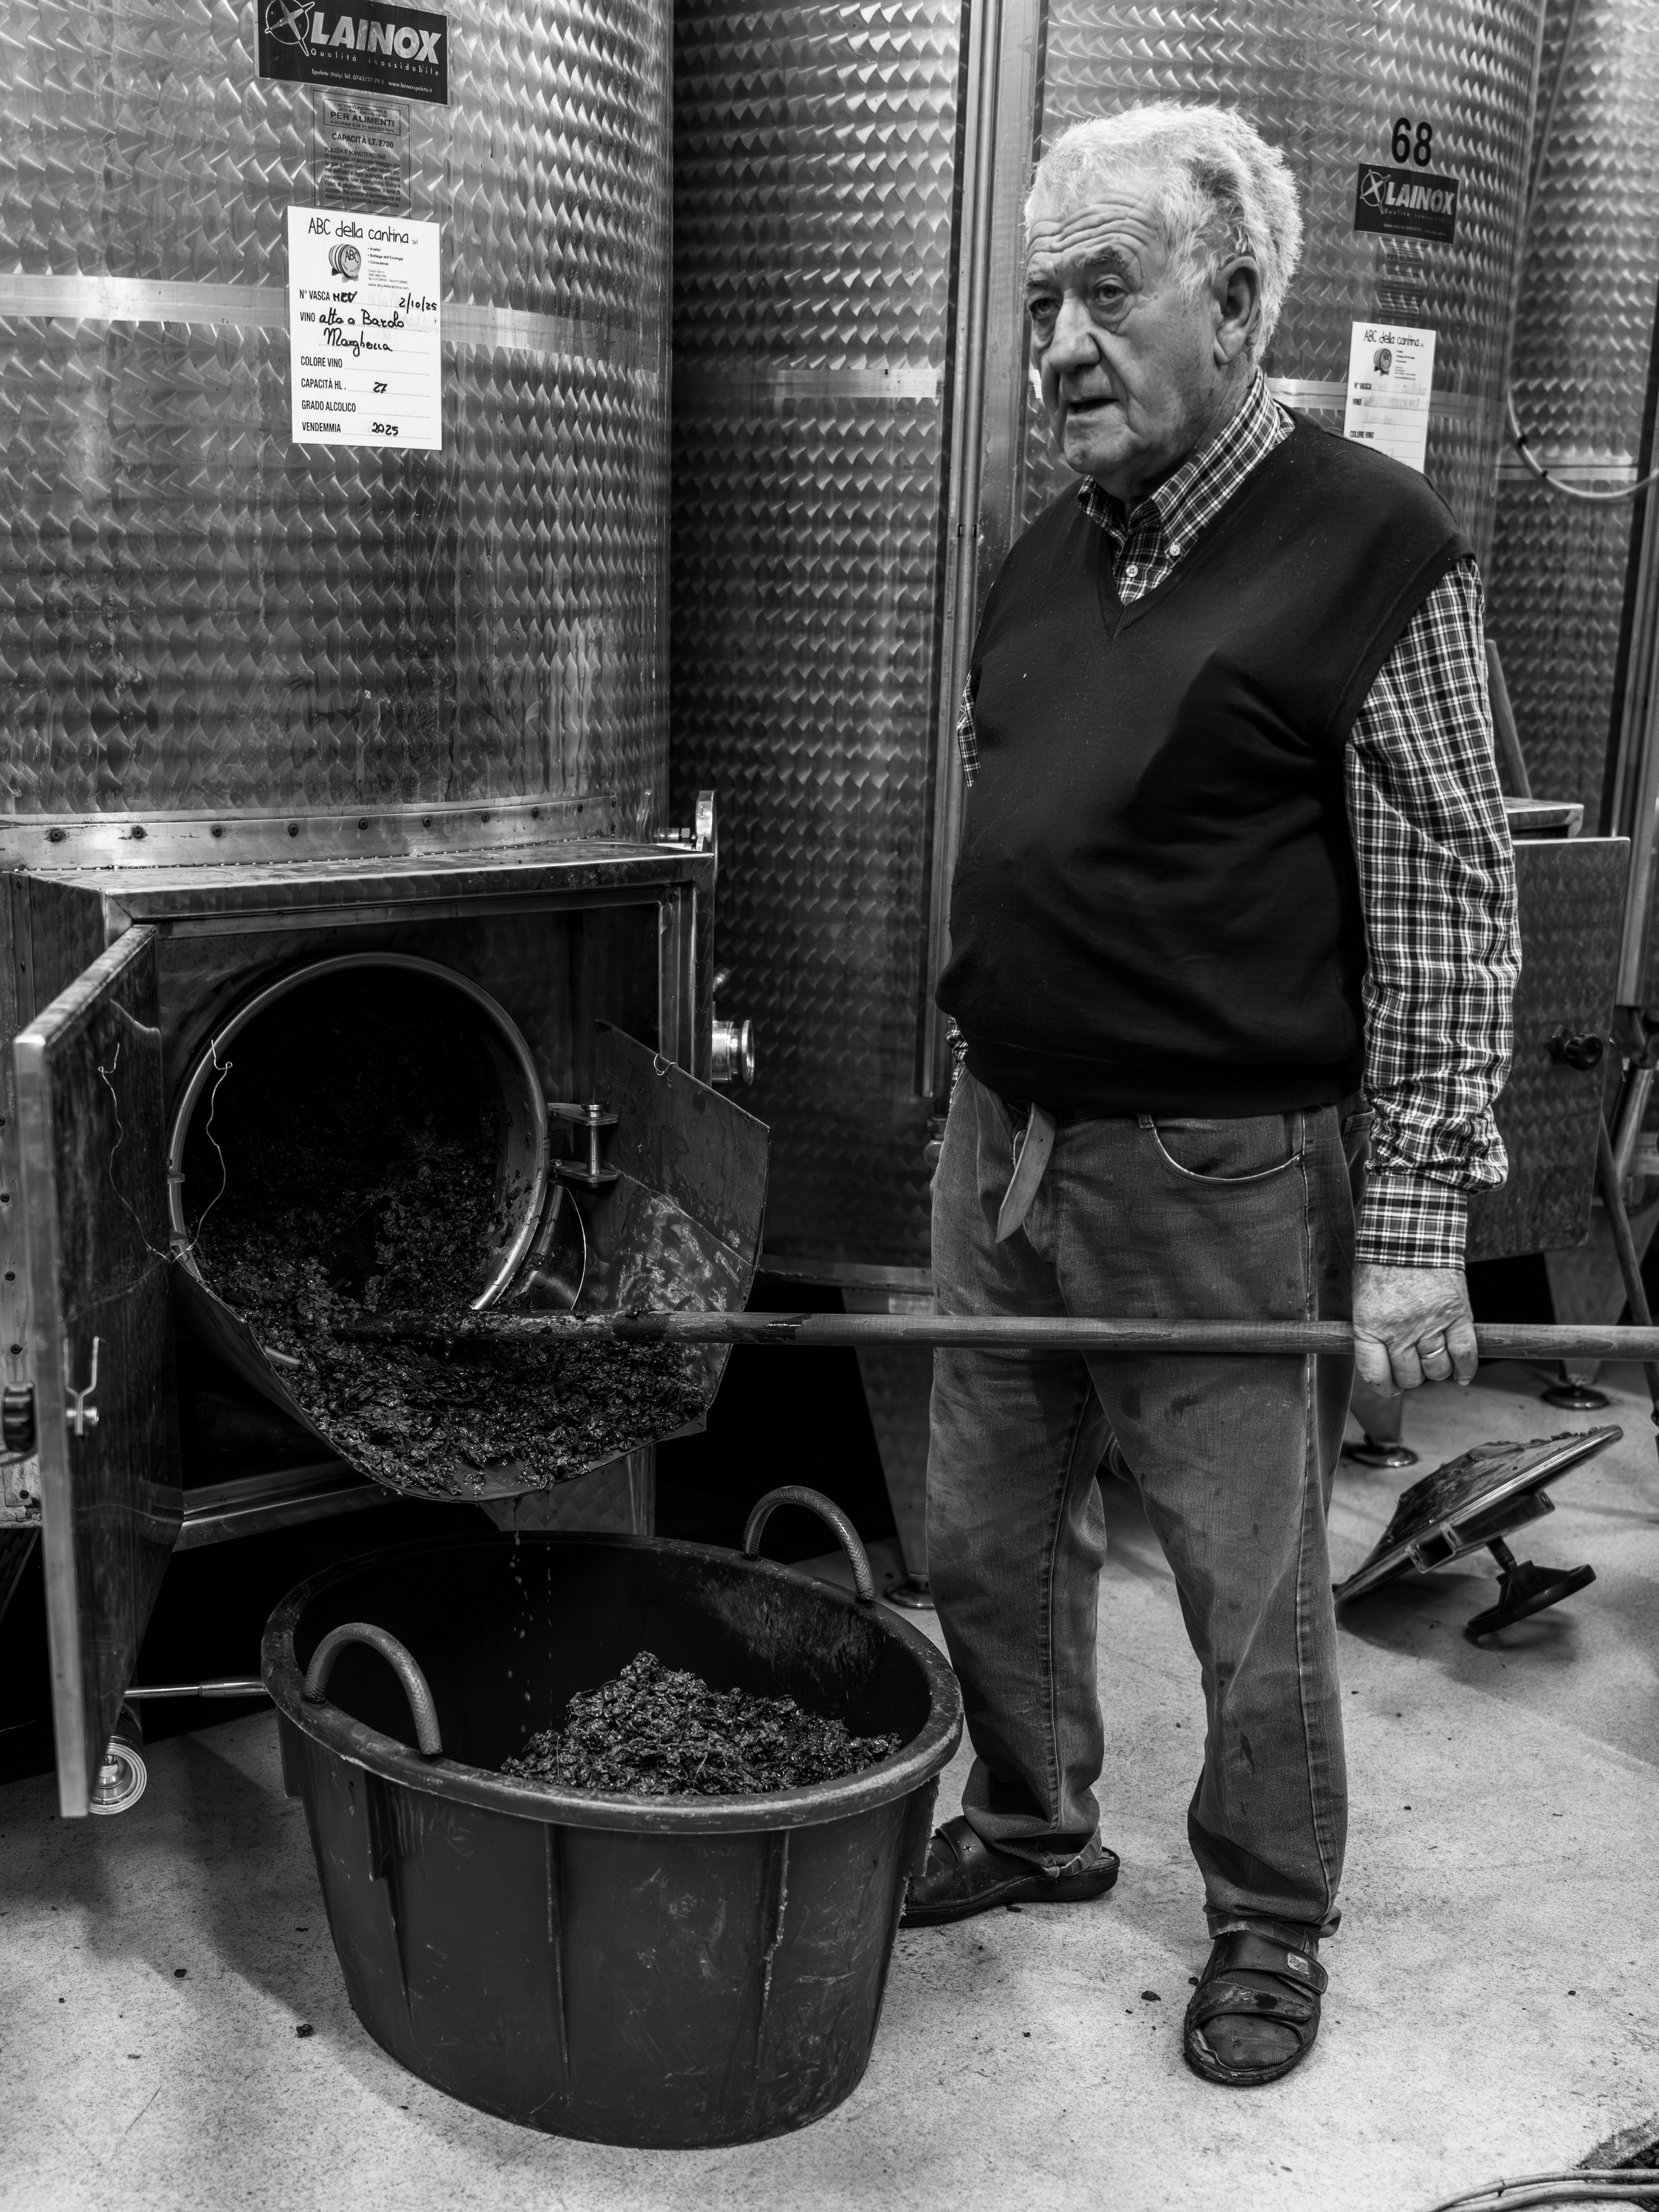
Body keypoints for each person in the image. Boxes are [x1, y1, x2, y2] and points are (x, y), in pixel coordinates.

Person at [905, 102, 1519, 2090]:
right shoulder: (1045, 556)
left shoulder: (1374, 549)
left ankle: (1268, 1916)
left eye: (1107, 290)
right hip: (1011, 1147)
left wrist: (1419, 1229)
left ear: (1238, 300)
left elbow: (1447, 905)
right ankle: (1031, 1822)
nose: (1062, 345)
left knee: (1249, 1591)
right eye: (1038, 304)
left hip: (1220, 1177)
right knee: (985, 1538)